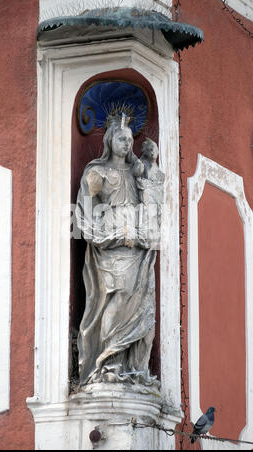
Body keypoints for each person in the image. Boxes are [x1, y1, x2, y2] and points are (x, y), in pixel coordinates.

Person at [75, 115, 160, 388]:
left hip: (136, 247)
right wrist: (104, 233)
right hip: (111, 248)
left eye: (130, 139)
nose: (126, 143)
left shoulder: (136, 173)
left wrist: (150, 164)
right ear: (109, 140)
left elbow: (152, 201)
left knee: (142, 305)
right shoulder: (97, 172)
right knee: (119, 295)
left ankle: (132, 366)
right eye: (121, 138)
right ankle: (106, 362)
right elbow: (85, 214)